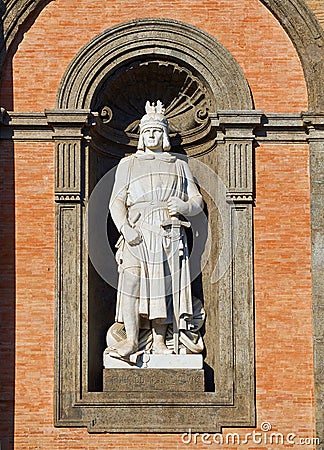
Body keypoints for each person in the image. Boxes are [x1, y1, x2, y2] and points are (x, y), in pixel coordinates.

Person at [109, 101, 203, 357]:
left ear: (164, 135)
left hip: (168, 232)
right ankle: (130, 339)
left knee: (163, 287)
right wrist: (125, 228)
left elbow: (197, 201)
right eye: (148, 131)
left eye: (157, 131)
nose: (152, 135)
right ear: (141, 136)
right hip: (136, 232)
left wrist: (184, 206)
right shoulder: (128, 164)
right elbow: (116, 201)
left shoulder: (178, 165)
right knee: (132, 282)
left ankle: (160, 341)